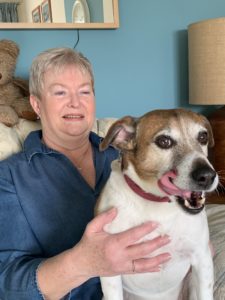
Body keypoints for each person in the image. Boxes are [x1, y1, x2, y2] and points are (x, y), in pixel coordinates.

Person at [0, 47, 171, 300]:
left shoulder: (127, 157)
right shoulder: (10, 177)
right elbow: (6, 284)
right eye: (60, 92)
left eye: (84, 91)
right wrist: (81, 263)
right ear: (36, 104)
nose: (75, 102)